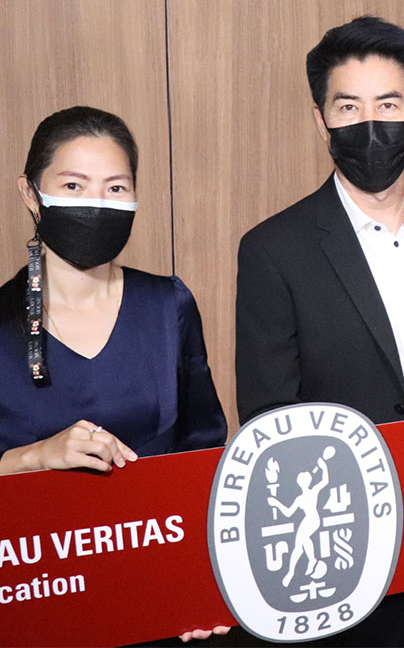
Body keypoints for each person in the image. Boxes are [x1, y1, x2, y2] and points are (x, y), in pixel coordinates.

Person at [235, 15, 404, 647]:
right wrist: (398, 512)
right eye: (348, 107)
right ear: (321, 120)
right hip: (351, 540)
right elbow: (271, 422)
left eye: (388, 104)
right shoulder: (275, 249)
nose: (370, 123)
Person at [0, 106, 228, 642]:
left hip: (159, 596)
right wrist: (34, 457)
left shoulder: (168, 304)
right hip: (36, 601)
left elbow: (203, 452)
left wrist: (204, 581)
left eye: (116, 188)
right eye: (73, 186)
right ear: (30, 193)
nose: (96, 204)